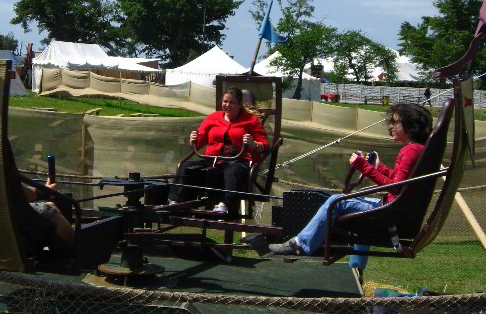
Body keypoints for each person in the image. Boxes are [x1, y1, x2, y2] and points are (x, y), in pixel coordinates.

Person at [267, 103, 433, 255]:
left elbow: (395, 187)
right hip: (395, 208)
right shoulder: (418, 150)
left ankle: (301, 244)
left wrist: (364, 167)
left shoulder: (410, 151)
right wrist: (378, 167)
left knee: (336, 201)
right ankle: (310, 239)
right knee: (337, 200)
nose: (390, 126)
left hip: (390, 210)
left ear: (412, 126)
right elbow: (401, 181)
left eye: (395, 122)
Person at [168, 86, 269, 218]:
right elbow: (200, 140)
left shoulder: (251, 120)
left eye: (232, 102)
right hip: (212, 159)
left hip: (237, 161)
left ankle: (225, 205)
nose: (227, 105)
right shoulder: (213, 118)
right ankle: (178, 202)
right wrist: (194, 140)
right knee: (187, 167)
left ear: (239, 104)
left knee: (231, 172)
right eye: (225, 102)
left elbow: (264, 146)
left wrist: (253, 143)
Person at [21, 179, 76, 258]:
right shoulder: (0, 168)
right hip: (17, 216)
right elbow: (21, 193)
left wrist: (43, 190)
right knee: (50, 208)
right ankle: (77, 248)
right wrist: (41, 191)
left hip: (4, 215)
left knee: (48, 204)